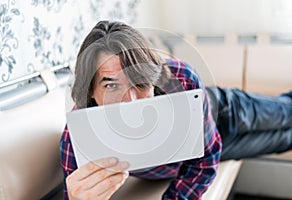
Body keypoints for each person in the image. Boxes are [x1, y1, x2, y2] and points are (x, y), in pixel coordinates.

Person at [60, 20, 292, 200]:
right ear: (89, 90)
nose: (130, 102)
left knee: (286, 111)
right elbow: (205, 159)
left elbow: (206, 153)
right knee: (286, 139)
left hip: (225, 111)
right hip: (212, 147)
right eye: (111, 85)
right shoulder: (80, 139)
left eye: (140, 82)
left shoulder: (180, 77)